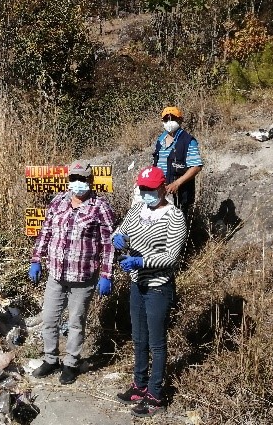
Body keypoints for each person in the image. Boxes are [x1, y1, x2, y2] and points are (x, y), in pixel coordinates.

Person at [28, 161, 115, 385]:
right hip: (56, 273)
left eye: (83, 179)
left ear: (90, 181)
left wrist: (106, 274)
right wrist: (36, 259)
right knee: (49, 319)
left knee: (76, 322)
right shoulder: (58, 201)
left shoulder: (100, 207)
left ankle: (71, 363)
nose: (78, 183)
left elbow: (108, 243)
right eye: (74, 178)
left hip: (83, 276)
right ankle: (50, 359)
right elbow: (45, 231)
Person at [114, 166, 187, 418]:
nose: (145, 193)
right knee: (139, 338)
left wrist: (140, 261)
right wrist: (118, 239)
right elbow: (120, 230)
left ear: (162, 187)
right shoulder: (137, 209)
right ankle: (139, 384)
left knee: (156, 343)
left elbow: (171, 257)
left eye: (150, 189)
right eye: (142, 188)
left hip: (157, 287)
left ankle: (156, 395)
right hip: (137, 284)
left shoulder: (174, 216)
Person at [152, 107, 202, 216]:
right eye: (166, 119)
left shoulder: (188, 141)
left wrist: (176, 183)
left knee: (178, 223)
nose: (169, 122)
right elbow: (156, 164)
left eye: (173, 118)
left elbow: (196, 167)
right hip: (161, 191)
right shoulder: (160, 140)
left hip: (180, 193)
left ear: (180, 120)